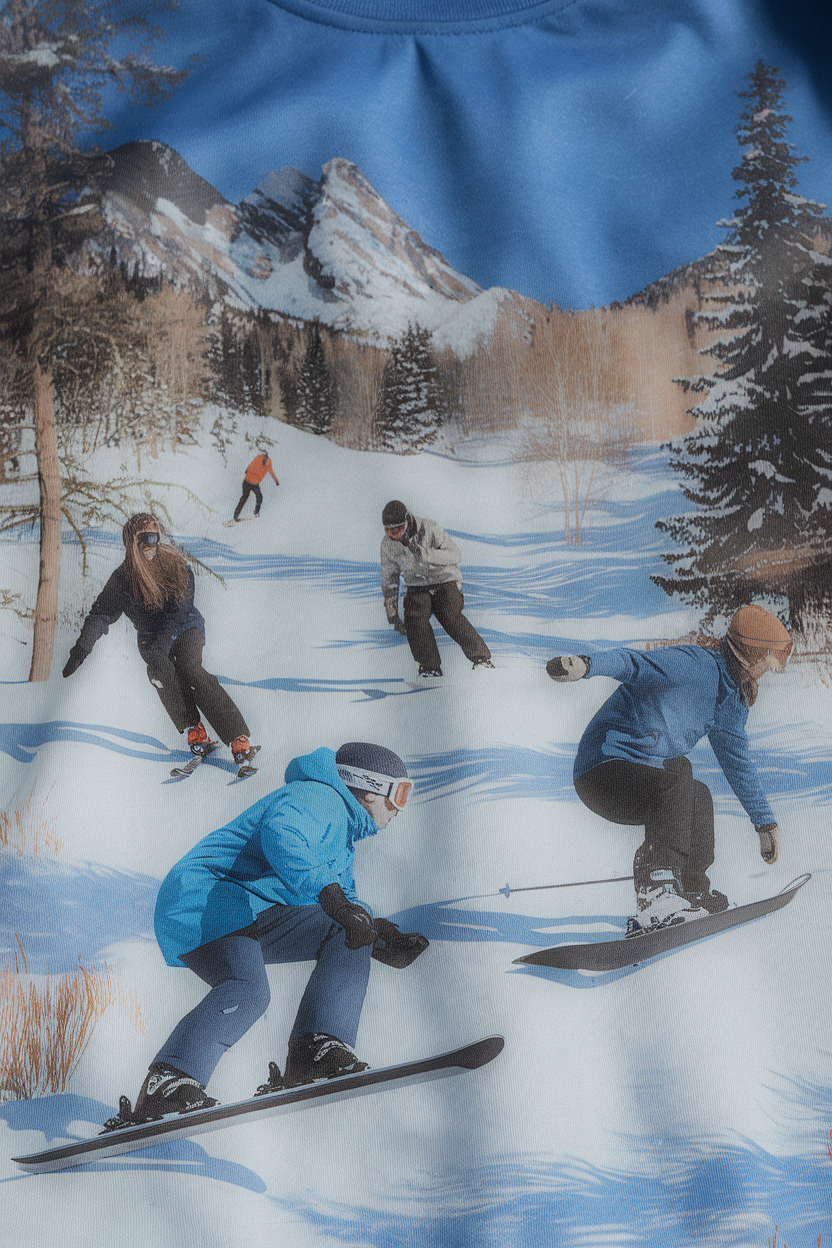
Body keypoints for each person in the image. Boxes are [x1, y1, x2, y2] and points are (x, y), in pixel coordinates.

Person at [102, 742, 429, 1128]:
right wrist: (334, 898)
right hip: (205, 896)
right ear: (371, 788)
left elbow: (344, 902)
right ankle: (168, 1081)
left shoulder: (341, 838)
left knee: (348, 931)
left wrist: (377, 934)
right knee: (248, 988)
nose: (399, 809)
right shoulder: (319, 797)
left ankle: (315, 1051)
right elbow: (282, 835)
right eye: (400, 794)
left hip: (250, 907)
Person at [546, 604, 792, 937]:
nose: (767, 671)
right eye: (768, 662)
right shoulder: (693, 665)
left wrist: (764, 822)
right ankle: (655, 894)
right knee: (676, 785)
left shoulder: (730, 703)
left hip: (641, 779)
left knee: (697, 793)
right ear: (752, 654)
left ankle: (689, 890)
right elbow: (634, 663)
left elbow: (738, 762)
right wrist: (586, 666)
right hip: (602, 769)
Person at [62, 513, 256, 767]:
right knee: (160, 673)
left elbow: (182, 608)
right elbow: (101, 614)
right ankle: (193, 727)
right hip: (151, 638)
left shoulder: (174, 564)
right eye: (142, 540)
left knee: (189, 668)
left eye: (153, 538)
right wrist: (81, 648)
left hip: (185, 627)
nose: (149, 546)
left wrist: (163, 642)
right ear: (130, 543)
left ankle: (236, 736)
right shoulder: (121, 580)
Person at [380, 499, 493, 678]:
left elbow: (455, 555)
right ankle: (429, 667)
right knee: (414, 615)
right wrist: (391, 609)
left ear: (406, 521)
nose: (393, 535)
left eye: (397, 530)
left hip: (445, 580)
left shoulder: (429, 528)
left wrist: (428, 554)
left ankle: (481, 659)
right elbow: (389, 579)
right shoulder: (388, 545)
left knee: (447, 613)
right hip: (418, 585)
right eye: (388, 530)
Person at [233, 451, 279, 521]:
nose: (265, 466)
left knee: (256, 497)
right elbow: (252, 467)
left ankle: (254, 512)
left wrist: (276, 481)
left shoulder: (260, 460)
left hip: (251, 483)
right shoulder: (259, 460)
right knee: (247, 497)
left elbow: (271, 472)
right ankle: (237, 515)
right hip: (250, 483)